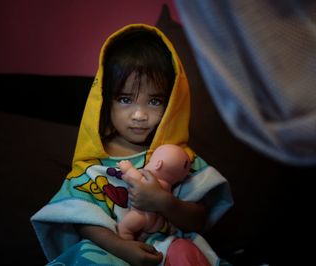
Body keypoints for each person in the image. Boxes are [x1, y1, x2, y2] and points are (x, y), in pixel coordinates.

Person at [31, 24, 233, 266]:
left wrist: (163, 201)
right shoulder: (92, 164)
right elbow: (83, 219)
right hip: (113, 252)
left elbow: (198, 220)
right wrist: (121, 247)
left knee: (186, 252)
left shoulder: (177, 157)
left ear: (172, 104)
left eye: (155, 101)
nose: (139, 115)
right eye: (126, 99)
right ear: (106, 101)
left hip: (167, 251)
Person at [117, 144, 191, 241]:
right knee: (147, 232)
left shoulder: (151, 181)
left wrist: (128, 168)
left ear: (158, 164)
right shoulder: (168, 188)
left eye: (150, 160)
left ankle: (128, 241)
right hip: (157, 221)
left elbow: (137, 179)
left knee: (124, 227)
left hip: (141, 215)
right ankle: (143, 236)